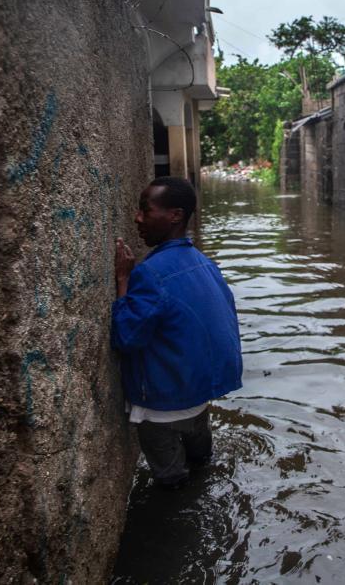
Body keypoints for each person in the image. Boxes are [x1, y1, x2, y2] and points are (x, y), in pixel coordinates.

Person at [111, 176, 242, 487]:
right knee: (202, 466)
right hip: (198, 399)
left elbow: (126, 337)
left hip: (162, 411)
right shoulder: (205, 264)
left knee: (172, 488)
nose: (137, 217)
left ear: (175, 216)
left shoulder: (149, 274)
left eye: (146, 210)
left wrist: (123, 282)